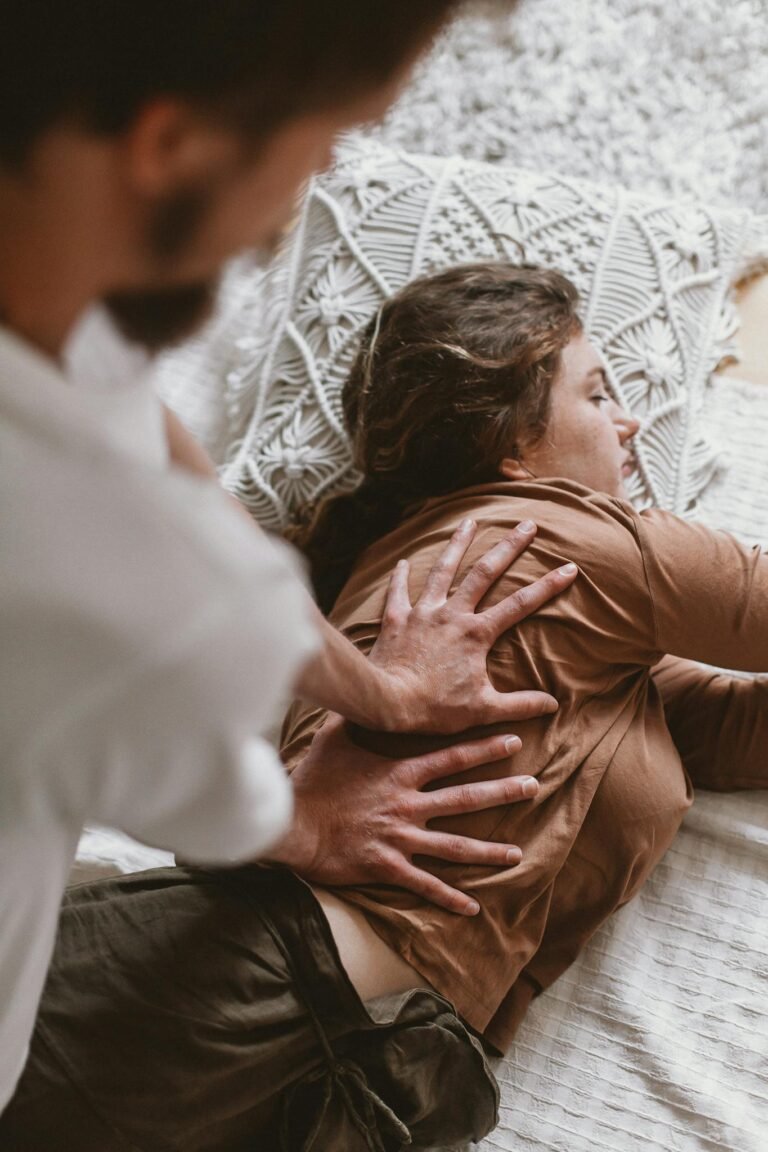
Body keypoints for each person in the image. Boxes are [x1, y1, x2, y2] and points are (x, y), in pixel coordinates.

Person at [4, 261, 765, 1150]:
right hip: (228, 997)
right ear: (511, 445)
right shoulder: (560, 540)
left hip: (378, 1083)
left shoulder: (535, 625)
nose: (629, 422)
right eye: (598, 395)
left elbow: (736, 733)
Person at [0, 0, 582, 1122]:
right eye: (323, 142)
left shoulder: (48, 256)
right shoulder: (121, 591)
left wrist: (385, 690)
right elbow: (207, 788)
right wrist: (313, 822)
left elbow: (140, 427)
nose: (308, 191)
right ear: (169, 147)